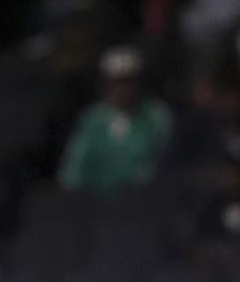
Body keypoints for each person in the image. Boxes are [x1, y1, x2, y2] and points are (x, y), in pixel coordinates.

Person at [56, 46, 174, 194]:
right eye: (116, 82)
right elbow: (73, 171)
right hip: (96, 201)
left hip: (145, 199)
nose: (122, 88)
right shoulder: (93, 120)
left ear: (138, 82)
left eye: (128, 81)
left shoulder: (156, 116)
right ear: (106, 83)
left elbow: (164, 163)